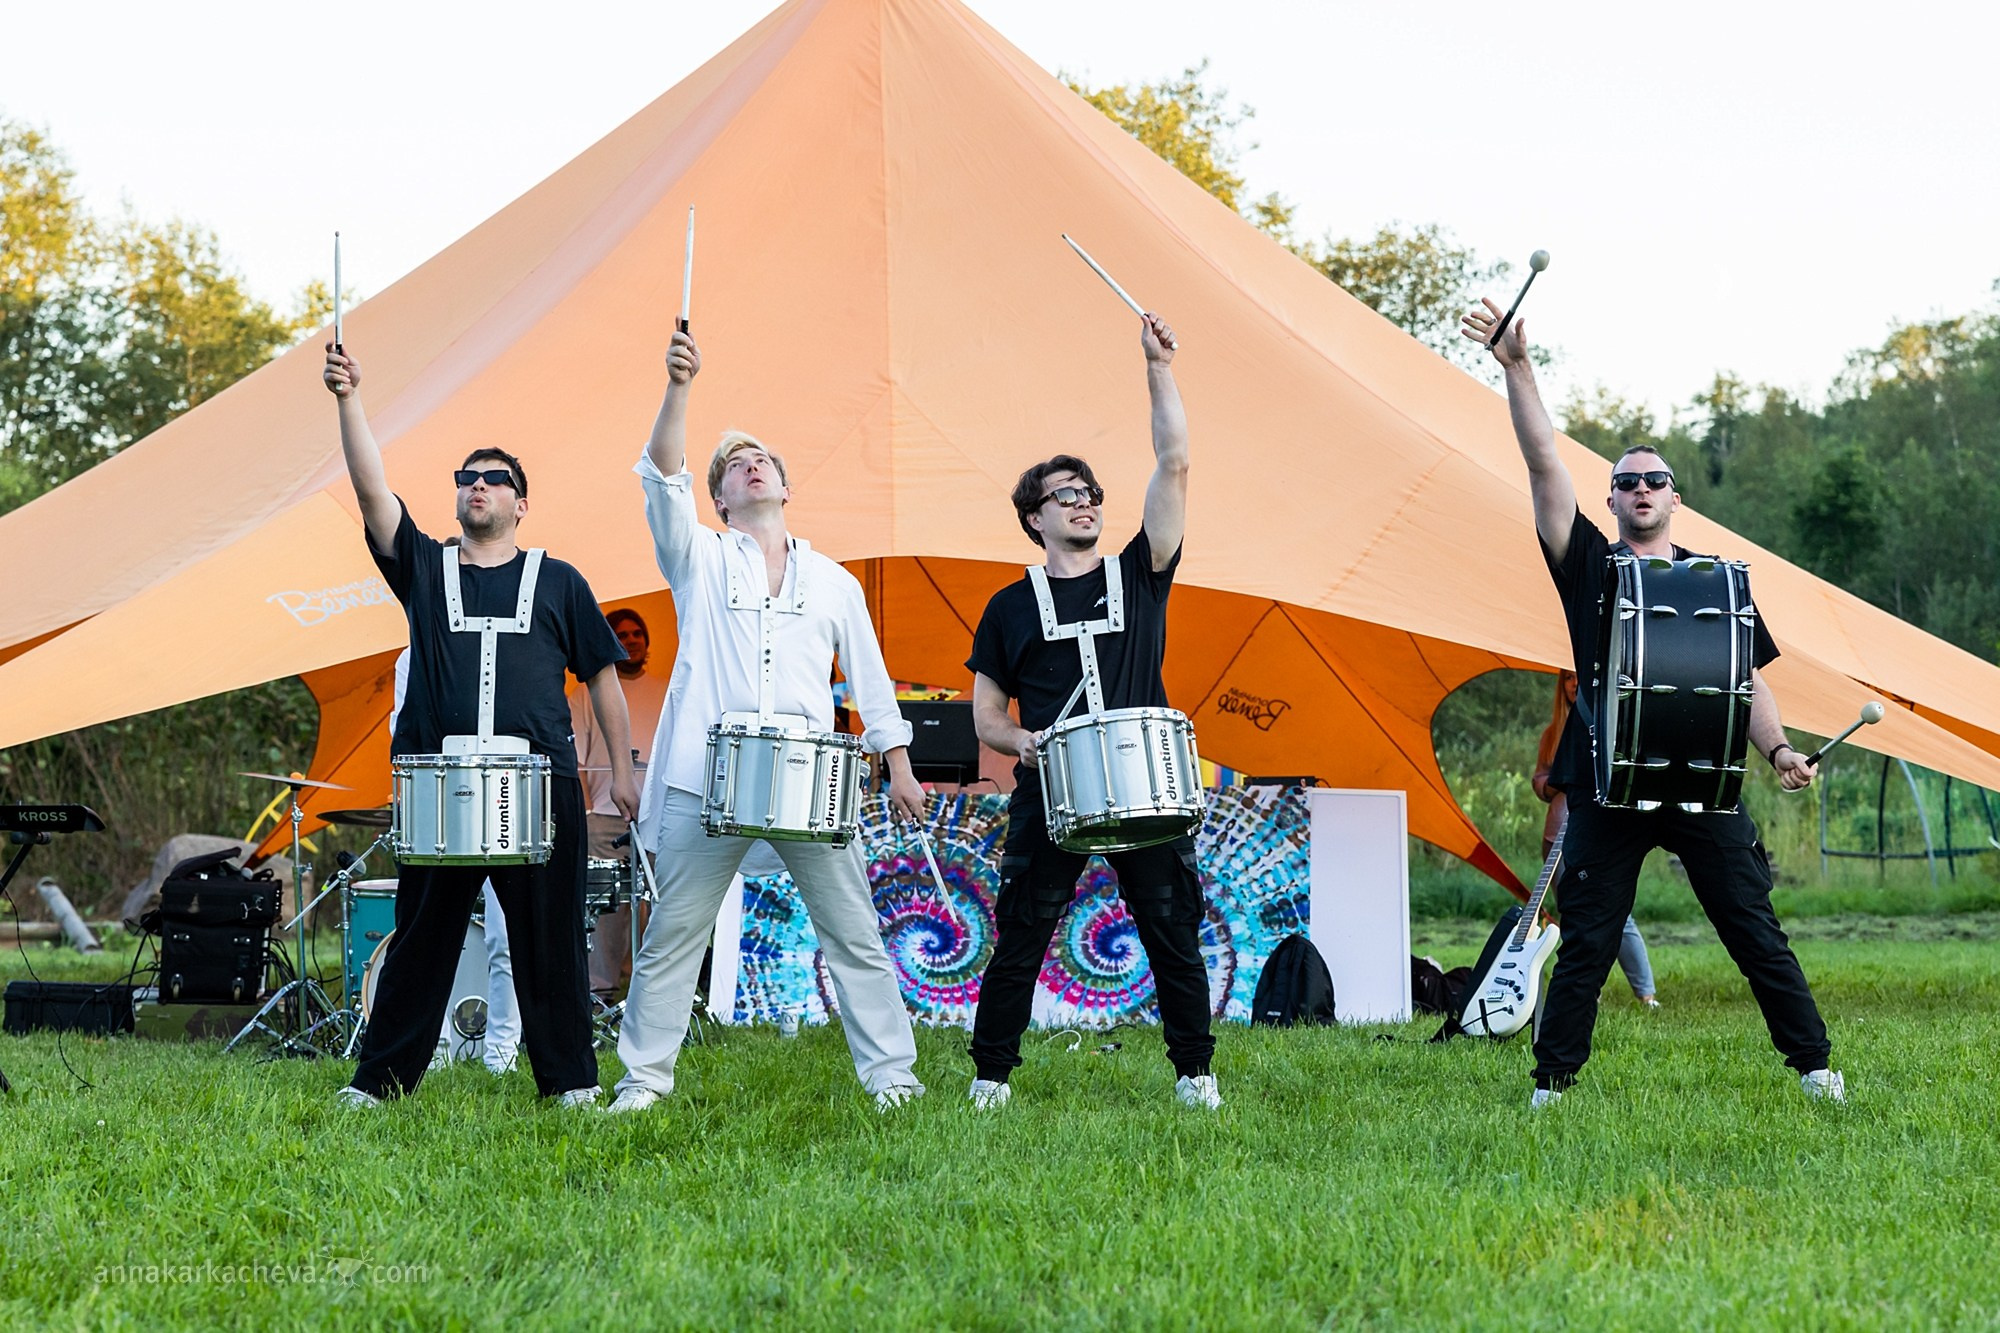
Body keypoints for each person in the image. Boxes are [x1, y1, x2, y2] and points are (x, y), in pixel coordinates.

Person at [1462, 300, 1844, 1107]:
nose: (1640, 488)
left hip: (1704, 783)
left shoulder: (1715, 584)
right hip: (1611, 789)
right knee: (1590, 939)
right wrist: (1518, 368)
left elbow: (1748, 681)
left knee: (1755, 934)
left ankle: (1816, 1069)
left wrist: (1777, 750)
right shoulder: (1591, 570)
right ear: (1611, 502)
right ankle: (1552, 1085)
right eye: (1625, 480)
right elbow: (1542, 467)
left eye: (1654, 479)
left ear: (1675, 498)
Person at [606, 328, 927, 1115]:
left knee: (852, 929)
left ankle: (894, 1079)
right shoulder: (699, 558)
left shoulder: (832, 581)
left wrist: (900, 760)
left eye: (764, 461)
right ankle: (642, 1082)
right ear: (718, 500)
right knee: (672, 939)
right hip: (702, 776)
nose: (752, 468)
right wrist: (679, 386)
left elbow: (872, 680)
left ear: (784, 484)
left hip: (808, 781)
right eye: (734, 468)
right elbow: (660, 475)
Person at [324, 343, 638, 1110]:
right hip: (441, 786)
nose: (477, 486)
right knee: (422, 934)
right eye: (466, 478)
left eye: (494, 479)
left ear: (521, 503)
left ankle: (569, 1083)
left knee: (549, 939)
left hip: (542, 785)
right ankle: (380, 1083)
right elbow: (372, 494)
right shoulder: (426, 570)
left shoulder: (560, 579)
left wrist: (623, 774)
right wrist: (348, 400)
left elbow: (601, 672)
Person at [963, 310, 1219, 1111]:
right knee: (1022, 935)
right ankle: (990, 1079)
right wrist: (1024, 742)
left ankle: (1195, 1075)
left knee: (1172, 930)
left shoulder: (1141, 573)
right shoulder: (1008, 606)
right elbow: (985, 718)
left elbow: (1174, 464)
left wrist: (1156, 367)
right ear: (1033, 516)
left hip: (1143, 783)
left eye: (1091, 493)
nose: (1084, 503)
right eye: (1064, 495)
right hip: (1053, 787)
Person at [1531, 671, 1659, 1008]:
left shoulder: (1614, 725)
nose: (1575, 684)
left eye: (1579, 678)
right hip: (1557, 837)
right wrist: (1556, 782)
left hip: (1600, 834)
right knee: (1574, 914)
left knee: (1617, 913)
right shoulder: (1553, 734)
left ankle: (1645, 993)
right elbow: (1541, 779)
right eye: (1568, 679)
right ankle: (1586, 991)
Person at [569, 607, 668, 995]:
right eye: (621, 635)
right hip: (604, 821)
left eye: (635, 634)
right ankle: (601, 994)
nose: (629, 641)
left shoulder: (666, 690)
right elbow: (575, 758)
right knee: (606, 911)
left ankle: (654, 994)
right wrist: (586, 813)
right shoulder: (584, 692)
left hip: (659, 820)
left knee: (660, 907)